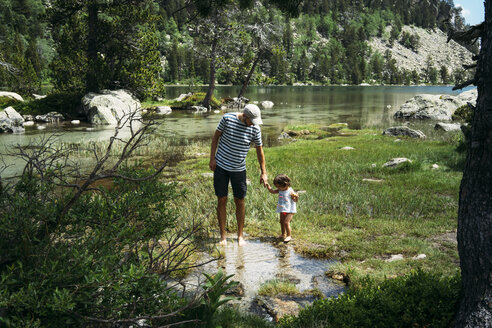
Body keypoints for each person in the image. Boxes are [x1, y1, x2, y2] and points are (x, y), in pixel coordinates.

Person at [209, 104, 267, 246]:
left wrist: (264, 172)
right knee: (222, 199)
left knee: (239, 201)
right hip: (221, 165)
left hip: (239, 169)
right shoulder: (227, 119)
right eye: (251, 121)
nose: (253, 124)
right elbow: (215, 137)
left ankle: (240, 236)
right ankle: (223, 236)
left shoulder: (255, 129)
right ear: (245, 116)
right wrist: (212, 158)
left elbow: (260, 151)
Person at [266, 174, 298, 242]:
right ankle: (283, 234)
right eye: (277, 187)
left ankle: (289, 236)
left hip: (290, 210)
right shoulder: (280, 190)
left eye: (280, 187)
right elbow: (273, 191)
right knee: (281, 221)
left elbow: (295, 200)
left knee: (286, 222)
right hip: (282, 208)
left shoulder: (290, 191)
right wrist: (269, 187)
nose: (279, 188)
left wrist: (296, 197)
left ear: (286, 184)